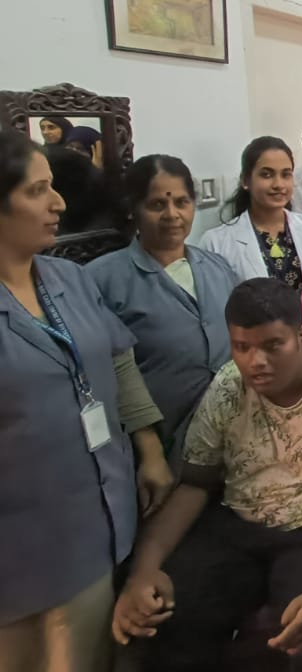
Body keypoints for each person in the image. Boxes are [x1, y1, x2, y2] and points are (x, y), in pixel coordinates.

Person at [111, 278, 302, 672]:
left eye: (272, 345)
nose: (255, 361)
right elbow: (196, 482)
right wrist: (144, 570)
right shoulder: (229, 385)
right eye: (242, 347)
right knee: (166, 615)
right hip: (237, 517)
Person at [0, 132, 166, 672]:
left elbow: (118, 360)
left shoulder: (68, 279)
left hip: (99, 518)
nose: (58, 203)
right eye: (37, 191)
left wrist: (149, 449)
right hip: (22, 543)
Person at [90, 155, 240, 464]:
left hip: (235, 435)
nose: (172, 214)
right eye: (157, 205)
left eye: (182, 202)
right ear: (133, 208)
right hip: (157, 448)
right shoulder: (101, 279)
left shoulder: (218, 268)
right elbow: (105, 370)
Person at [199, 137, 302, 289]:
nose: (278, 184)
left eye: (286, 174)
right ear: (245, 181)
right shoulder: (216, 243)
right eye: (266, 175)